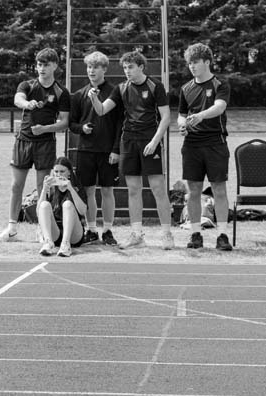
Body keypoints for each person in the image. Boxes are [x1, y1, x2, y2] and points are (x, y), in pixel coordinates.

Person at [89, 51, 174, 250]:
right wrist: (93, 97)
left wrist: (155, 141)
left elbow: (166, 117)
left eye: (131, 67)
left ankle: (167, 234)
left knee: (158, 189)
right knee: (133, 190)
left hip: (149, 141)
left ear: (141, 67)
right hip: (128, 142)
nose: (127, 71)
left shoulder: (155, 86)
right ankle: (137, 235)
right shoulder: (120, 88)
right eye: (125, 68)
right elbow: (101, 110)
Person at [0, 48, 71, 242]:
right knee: (16, 186)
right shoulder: (27, 84)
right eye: (39, 64)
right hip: (23, 141)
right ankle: (11, 229)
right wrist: (27, 104)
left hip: (45, 143)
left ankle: (42, 230)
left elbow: (64, 123)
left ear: (55, 66)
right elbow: (18, 99)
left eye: (45, 64)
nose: (41, 68)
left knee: (42, 187)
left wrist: (44, 129)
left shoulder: (61, 92)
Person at [177, 43, 232, 251]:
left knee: (219, 189)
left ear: (207, 62)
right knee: (193, 191)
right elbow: (181, 115)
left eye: (196, 62)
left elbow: (220, 107)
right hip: (192, 145)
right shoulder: (185, 88)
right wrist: (182, 126)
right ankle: (195, 233)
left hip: (215, 143)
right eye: (189, 63)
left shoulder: (220, 85)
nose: (192, 66)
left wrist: (200, 115)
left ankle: (222, 235)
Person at [68, 51, 123, 246]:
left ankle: (107, 230)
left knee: (108, 191)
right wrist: (81, 128)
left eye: (96, 67)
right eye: (89, 67)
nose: (91, 70)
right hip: (85, 150)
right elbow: (71, 124)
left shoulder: (115, 92)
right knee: (88, 191)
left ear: (104, 69)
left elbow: (119, 124)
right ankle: (91, 230)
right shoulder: (79, 95)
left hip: (108, 151)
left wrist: (116, 149)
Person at [37, 157, 88, 257]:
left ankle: (65, 244)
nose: (59, 175)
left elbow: (82, 211)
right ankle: (48, 242)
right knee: (44, 205)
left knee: (67, 204)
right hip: (56, 232)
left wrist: (71, 189)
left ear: (69, 172)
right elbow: (38, 214)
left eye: (62, 171)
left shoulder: (76, 187)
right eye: (56, 171)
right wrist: (44, 189)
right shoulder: (51, 188)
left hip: (74, 234)